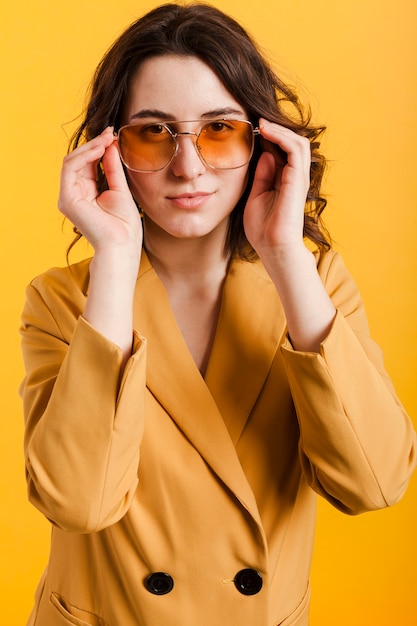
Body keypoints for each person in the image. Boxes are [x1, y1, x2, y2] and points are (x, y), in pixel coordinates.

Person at [19, 3, 416, 625]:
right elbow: (78, 502)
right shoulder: (63, 302)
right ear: (111, 150)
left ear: (262, 141)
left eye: (219, 130)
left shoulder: (316, 286)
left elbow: (375, 484)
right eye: (153, 133)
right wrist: (117, 260)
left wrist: (285, 255)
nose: (189, 167)